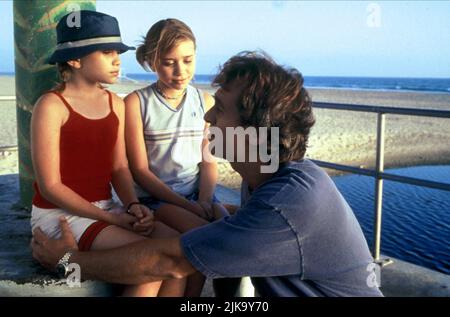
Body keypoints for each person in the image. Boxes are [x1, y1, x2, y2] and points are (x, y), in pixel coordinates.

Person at [32, 51, 383, 297]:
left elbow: (166, 261)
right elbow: (255, 225)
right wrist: (226, 216)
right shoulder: (271, 178)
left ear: (255, 130)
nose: (209, 119)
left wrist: (66, 261)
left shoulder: (284, 204)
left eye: (221, 108)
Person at [30, 10, 186, 297]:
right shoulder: (51, 106)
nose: (117, 60)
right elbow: (51, 188)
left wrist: (131, 206)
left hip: (106, 209)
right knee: (150, 262)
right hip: (60, 215)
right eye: (106, 52)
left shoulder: (116, 104)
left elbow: (119, 168)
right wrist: (114, 220)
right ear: (75, 60)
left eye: (118, 52)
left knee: (182, 248)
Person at [124, 18, 218, 235]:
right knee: (204, 234)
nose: (180, 71)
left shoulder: (205, 102)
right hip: (156, 198)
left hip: (197, 195)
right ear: (152, 61)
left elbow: (209, 161)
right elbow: (139, 171)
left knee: (229, 227)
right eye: (168, 63)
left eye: (188, 60)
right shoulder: (136, 103)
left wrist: (204, 200)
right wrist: (187, 206)